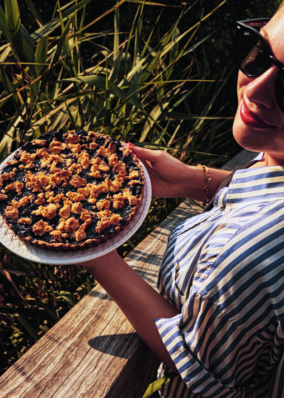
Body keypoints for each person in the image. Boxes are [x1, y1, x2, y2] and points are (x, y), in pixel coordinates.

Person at [81, 5, 284, 397]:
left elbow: (193, 360)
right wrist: (195, 181)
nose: (256, 89)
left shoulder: (248, 255)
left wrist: (92, 249)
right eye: (258, 52)